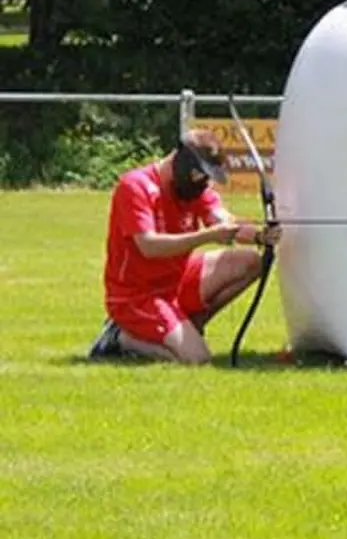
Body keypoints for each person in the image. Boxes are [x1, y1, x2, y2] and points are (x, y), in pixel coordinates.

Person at [87, 128, 281, 365]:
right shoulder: (136, 187)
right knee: (197, 359)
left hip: (174, 283)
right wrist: (207, 236)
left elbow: (222, 221)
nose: (204, 182)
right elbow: (149, 246)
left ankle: (190, 325)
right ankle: (121, 337)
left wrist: (261, 236)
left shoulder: (194, 190)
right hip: (136, 296)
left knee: (251, 262)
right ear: (184, 162)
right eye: (200, 174)